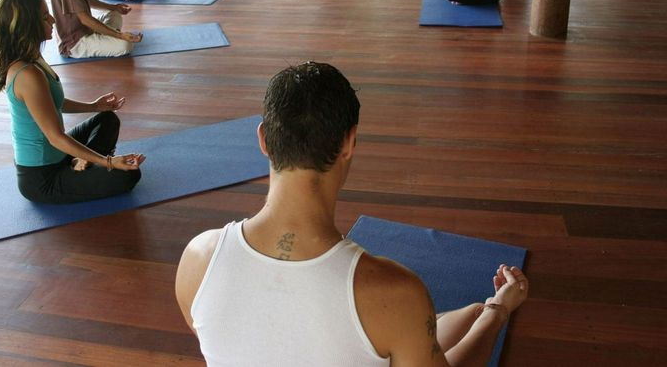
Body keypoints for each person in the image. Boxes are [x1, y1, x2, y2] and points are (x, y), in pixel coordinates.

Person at [175, 61, 529, 366]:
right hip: (398, 316)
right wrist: (497, 315)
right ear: (349, 142)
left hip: (394, 320)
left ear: (264, 139)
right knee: (411, 327)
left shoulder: (198, 259)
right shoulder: (394, 292)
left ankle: (473, 311)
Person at [0, 0, 146, 204]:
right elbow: (55, 137)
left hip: (58, 155)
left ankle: (79, 163)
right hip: (43, 177)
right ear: (27, 25)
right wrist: (108, 162)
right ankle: (82, 163)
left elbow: (54, 103)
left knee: (107, 119)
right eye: (45, 16)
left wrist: (95, 107)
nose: (53, 20)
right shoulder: (26, 74)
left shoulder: (33, 58)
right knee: (128, 175)